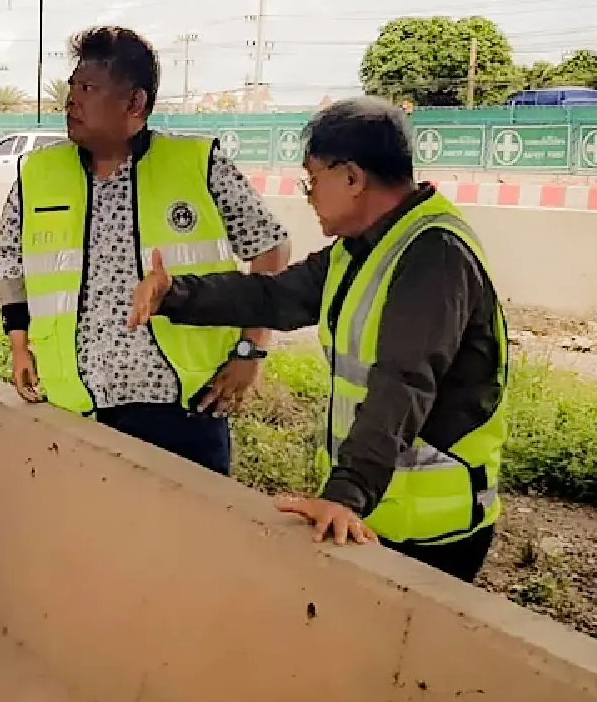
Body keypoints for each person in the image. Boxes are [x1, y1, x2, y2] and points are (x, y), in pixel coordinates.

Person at [128, 96, 510, 583]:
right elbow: (274, 297)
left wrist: (345, 492)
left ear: (351, 178)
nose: (309, 196)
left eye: (312, 181)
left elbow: (403, 385)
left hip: (431, 528)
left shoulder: (433, 257)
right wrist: (174, 294)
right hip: (378, 512)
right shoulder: (360, 250)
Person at [0, 25, 291, 475]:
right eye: (72, 87)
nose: (71, 100)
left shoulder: (197, 166)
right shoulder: (38, 174)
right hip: (76, 407)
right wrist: (19, 346)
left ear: (135, 103)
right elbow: (8, 264)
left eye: (88, 88)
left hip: (184, 412)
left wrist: (251, 350)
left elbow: (271, 250)